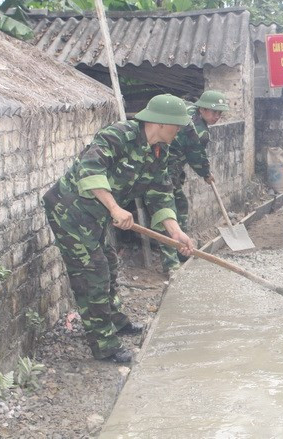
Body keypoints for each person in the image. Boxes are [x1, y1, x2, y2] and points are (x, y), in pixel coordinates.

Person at [43, 94, 196, 363]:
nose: (180, 130)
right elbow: (89, 169)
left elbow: (160, 193)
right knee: (94, 273)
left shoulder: (159, 151)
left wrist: (175, 232)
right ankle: (104, 345)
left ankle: (115, 320)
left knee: (110, 264)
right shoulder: (118, 135)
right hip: (71, 211)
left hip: (99, 215)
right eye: (178, 125)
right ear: (161, 123)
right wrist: (115, 208)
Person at [156, 90, 229, 272]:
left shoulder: (187, 108)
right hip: (164, 169)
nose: (217, 117)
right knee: (171, 210)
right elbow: (196, 155)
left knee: (176, 206)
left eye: (220, 113)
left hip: (160, 162)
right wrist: (205, 173)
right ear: (202, 109)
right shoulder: (200, 131)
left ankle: (180, 249)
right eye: (213, 112)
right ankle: (171, 260)